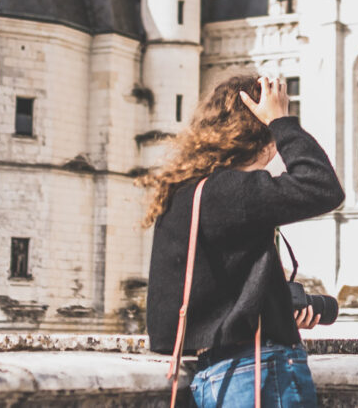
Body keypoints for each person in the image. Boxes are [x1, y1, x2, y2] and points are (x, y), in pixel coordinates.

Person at [144, 74, 345, 407]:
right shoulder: (234, 192)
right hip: (260, 373)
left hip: (215, 376)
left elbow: (210, 294)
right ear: (261, 134)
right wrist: (283, 122)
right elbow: (322, 185)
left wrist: (278, 307)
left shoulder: (184, 194)